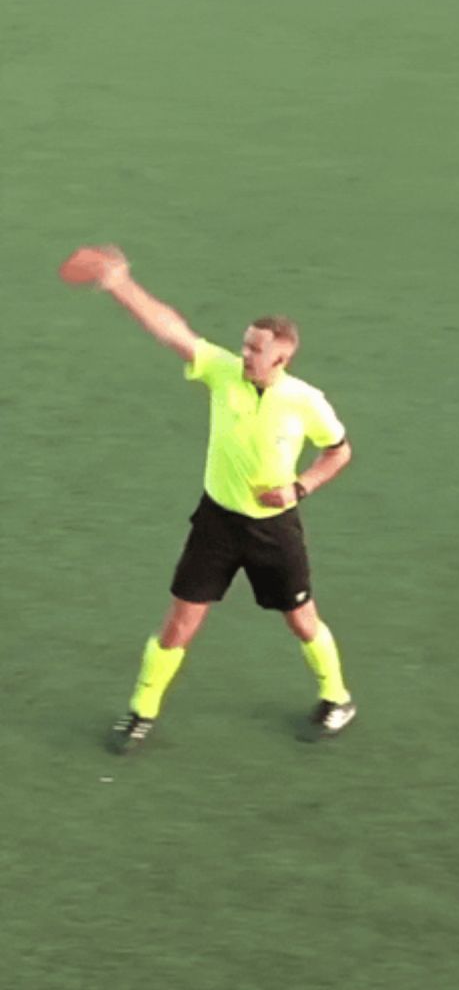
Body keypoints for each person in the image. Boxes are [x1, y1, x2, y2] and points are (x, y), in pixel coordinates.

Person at [60, 246, 357, 749]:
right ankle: (141, 712)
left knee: (302, 619)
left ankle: (336, 697)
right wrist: (120, 284)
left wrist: (299, 487)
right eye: (244, 344)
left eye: (254, 349)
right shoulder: (222, 372)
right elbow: (169, 328)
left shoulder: (306, 402)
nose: (244, 354)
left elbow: (339, 452)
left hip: (274, 528)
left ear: (281, 357)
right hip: (217, 524)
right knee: (179, 622)